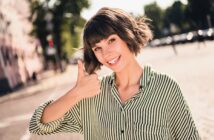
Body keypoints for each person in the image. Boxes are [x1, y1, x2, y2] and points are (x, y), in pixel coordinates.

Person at [29, 7, 200, 140]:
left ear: (127, 36)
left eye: (112, 40)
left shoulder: (165, 88)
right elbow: (39, 124)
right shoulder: (91, 97)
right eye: (98, 48)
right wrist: (77, 93)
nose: (107, 53)